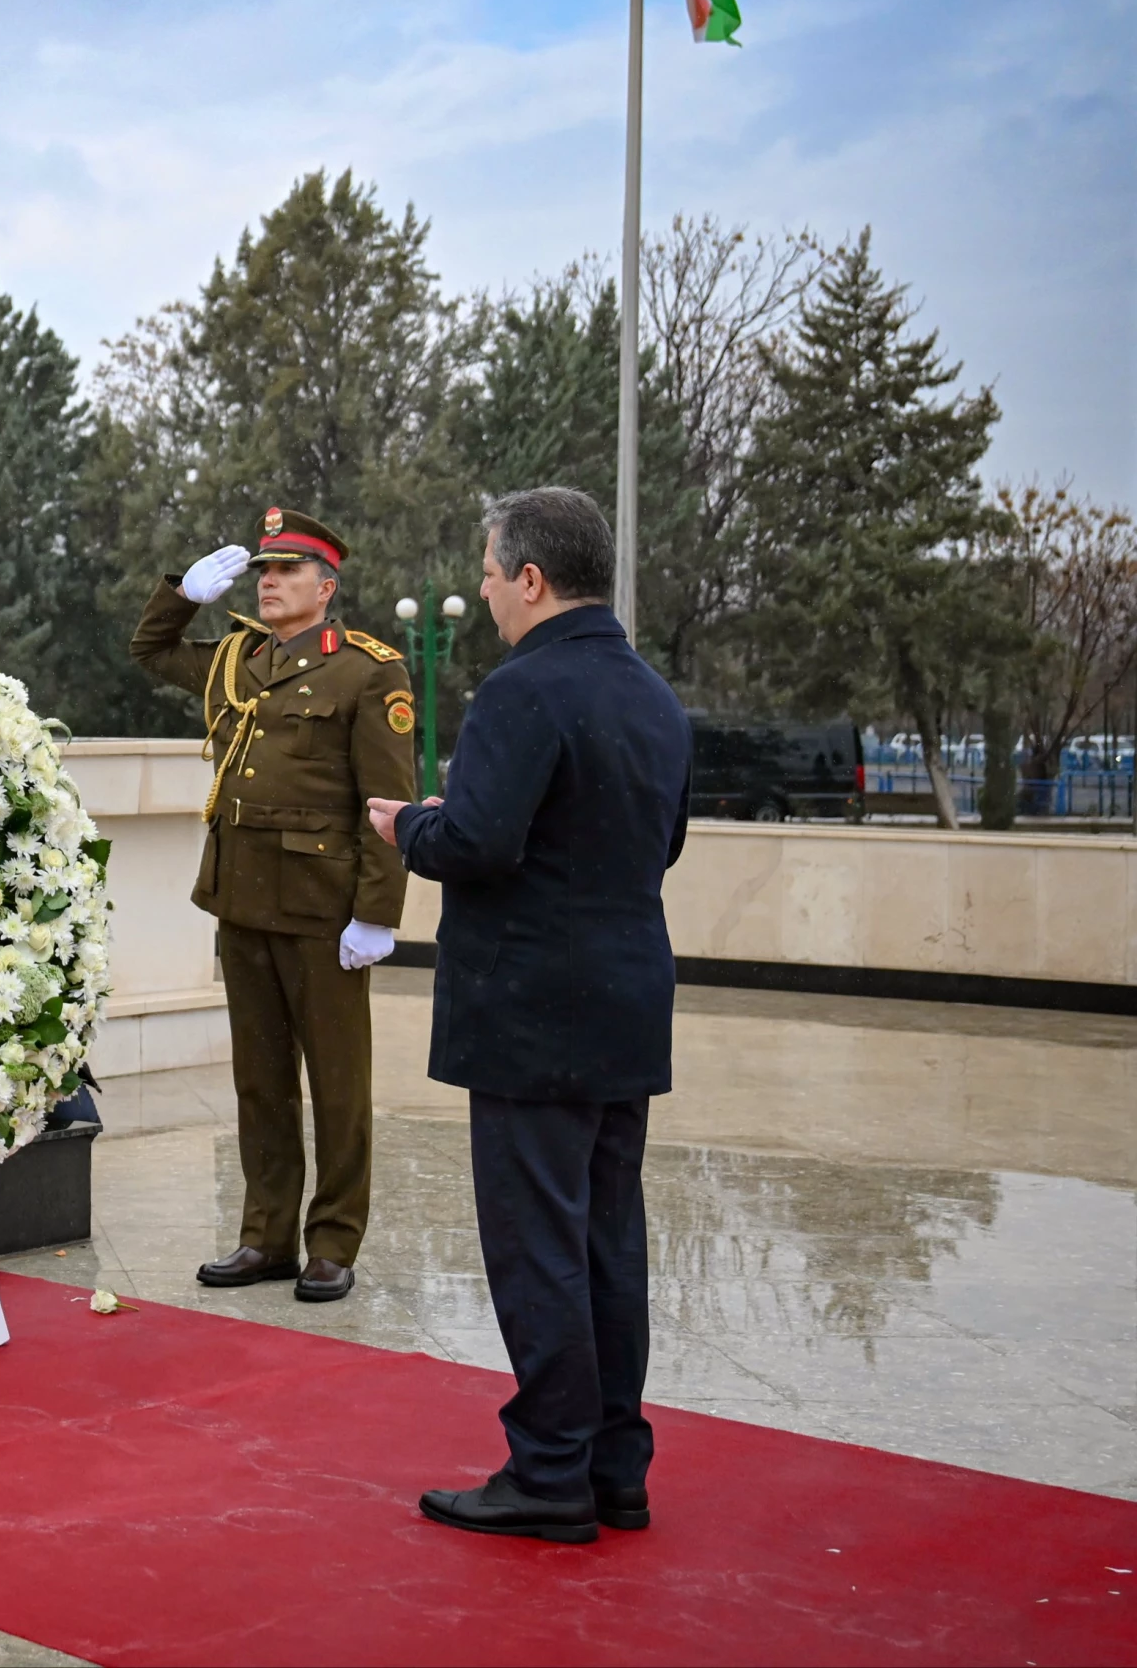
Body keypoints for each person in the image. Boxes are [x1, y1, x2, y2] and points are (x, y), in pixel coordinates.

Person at [363, 486, 691, 1545]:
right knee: (607, 1242)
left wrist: (409, 824)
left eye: (495, 576)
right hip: (625, 1002)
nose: (491, 595)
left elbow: (481, 842)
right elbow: (662, 842)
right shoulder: (651, 694)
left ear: (533, 579)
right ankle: (613, 1468)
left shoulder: (524, 688)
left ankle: (549, 1468)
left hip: (531, 1012)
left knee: (539, 1244)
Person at [130, 507, 415, 1304]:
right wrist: (180, 596)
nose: (270, 582)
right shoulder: (233, 659)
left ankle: (332, 1241)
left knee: (337, 1083)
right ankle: (266, 1236)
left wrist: (377, 913)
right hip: (241, 896)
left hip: (324, 909)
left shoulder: (368, 670)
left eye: (287, 571)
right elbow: (149, 650)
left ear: (326, 588)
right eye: (262, 571)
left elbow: (385, 799)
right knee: (260, 1081)